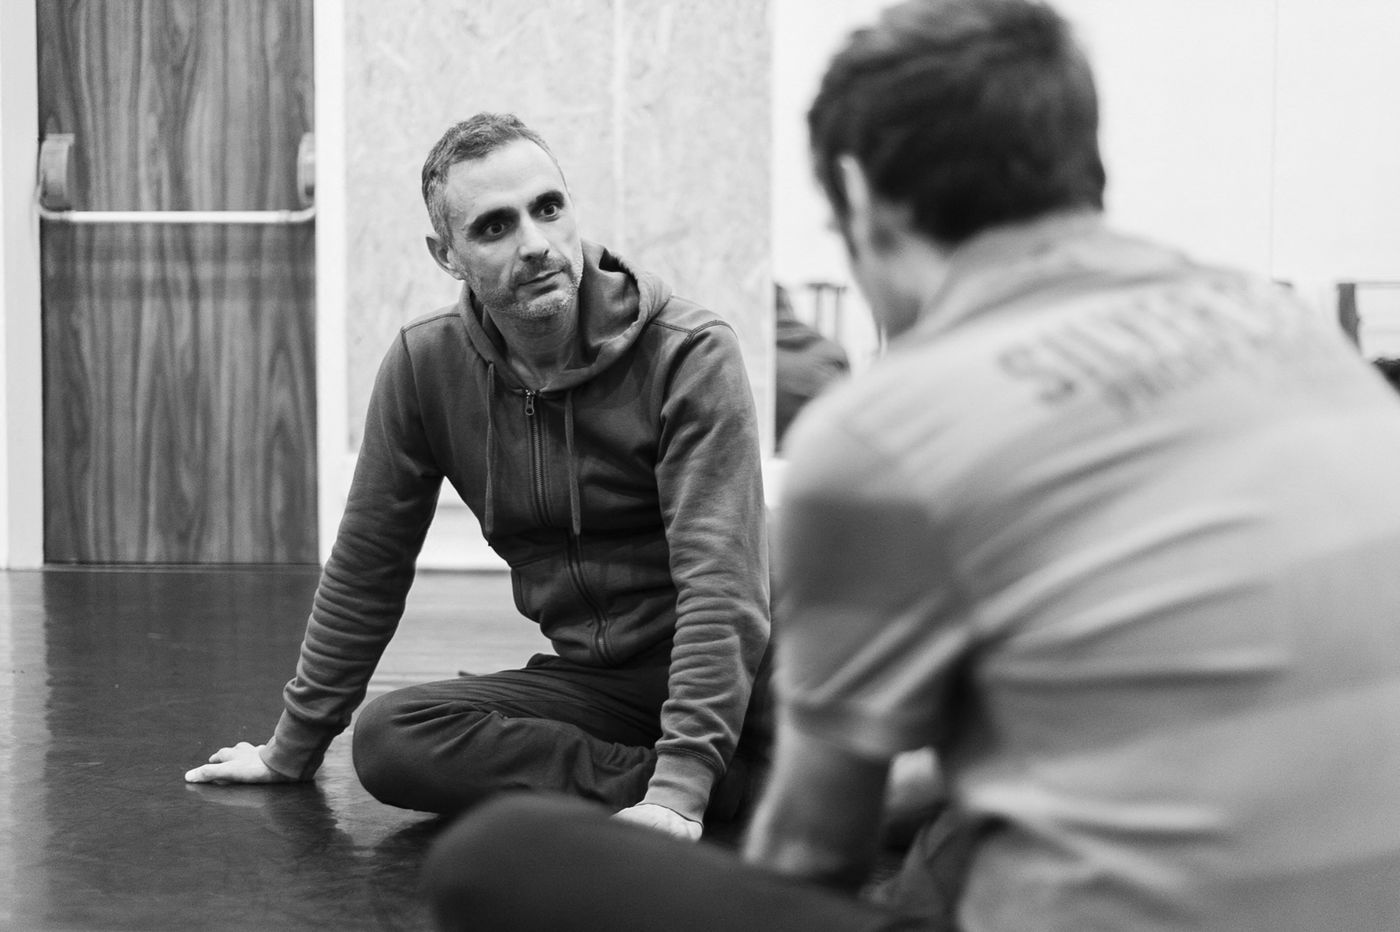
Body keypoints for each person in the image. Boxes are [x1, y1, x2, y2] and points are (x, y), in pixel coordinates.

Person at [420, 1, 1400, 929]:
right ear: (1081, 153)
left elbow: (812, 859)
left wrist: (701, 801)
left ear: (857, 194)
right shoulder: (1298, 337)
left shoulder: (881, 431)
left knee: (496, 855)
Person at [184, 112, 771, 841]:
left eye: (548, 208)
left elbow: (722, 589)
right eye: (495, 226)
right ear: (447, 254)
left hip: (748, 678)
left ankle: (701, 777)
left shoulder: (690, 354)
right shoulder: (425, 365)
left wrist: (679, 787)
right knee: (391, 739)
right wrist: (291, 748)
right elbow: (367, 566)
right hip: (601, 683)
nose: (536, 243)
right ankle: (734, 790)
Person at [773, 283, 849, 449]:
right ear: (789, 305)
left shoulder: (757, 361)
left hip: (773, 451)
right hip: (822, 449)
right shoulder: (833, 351)